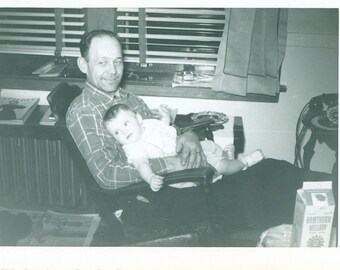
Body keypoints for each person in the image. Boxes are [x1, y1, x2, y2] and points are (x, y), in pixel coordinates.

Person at [66, 29, 333, 232]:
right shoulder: (83, 111)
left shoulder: (127, 99)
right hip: (153, 199)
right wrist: (171, 163)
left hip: (183, 180)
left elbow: (161, 129)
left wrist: (188, 135)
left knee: (274, 169)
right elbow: (108, 176)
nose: (113, 71)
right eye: (102, 62)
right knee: (262, 190)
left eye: (118, 61)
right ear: (83, 65)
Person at [103, 103, 264, 191]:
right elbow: (141, 165)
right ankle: (244, 162)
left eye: (125, 123)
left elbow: (163, 129)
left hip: (181, 148)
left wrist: (166, 118)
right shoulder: (134, 148)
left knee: (211, 146)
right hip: (181, 165)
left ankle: (227, 156)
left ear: (137, 118)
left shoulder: (147, 124)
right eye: (117, 132)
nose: (124, 131)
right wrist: (150, 177)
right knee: (221, 166)